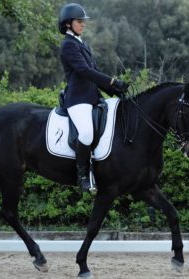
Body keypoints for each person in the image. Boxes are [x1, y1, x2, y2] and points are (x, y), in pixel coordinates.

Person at [58, 3, 129, 192]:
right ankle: (82, 176)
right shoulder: (68, 45)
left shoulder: (83, 44)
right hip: (78, 99)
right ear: (68, 24)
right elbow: (84, 71)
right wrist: (112, 81)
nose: (83, 24)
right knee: (87, 133)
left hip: (93, 97)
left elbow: (95, 72)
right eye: (79, 22)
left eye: (83, 22)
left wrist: (114, 90)